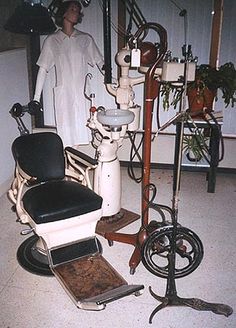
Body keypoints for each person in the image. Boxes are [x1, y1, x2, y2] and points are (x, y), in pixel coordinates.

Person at [33, 0, 104, 146]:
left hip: (81, 92)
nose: (76, 13)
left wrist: (111, 79)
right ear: (64, 13)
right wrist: (36, 98)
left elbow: (100, 62)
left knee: (80, 129)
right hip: (64, 93)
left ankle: (74, 165)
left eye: (78, 10)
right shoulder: (53, 40)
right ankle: (67, 165)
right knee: (66, 132)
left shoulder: (85, 39)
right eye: (73, 9)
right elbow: (43, 68)